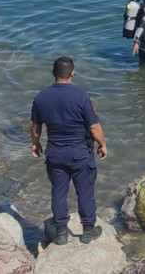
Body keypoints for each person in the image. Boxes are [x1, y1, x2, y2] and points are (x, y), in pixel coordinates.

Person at [31, 57, 107, 245]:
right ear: (72, 73)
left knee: (58, 192)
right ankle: (88, 231)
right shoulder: (81, 96)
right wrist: (103, 144)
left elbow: (35, 126)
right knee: (85, 191)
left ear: (53, 73)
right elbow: (94, 127)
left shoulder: (41, 97)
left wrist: (35, 144)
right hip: (80, 152)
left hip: (55, 152)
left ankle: (61, 234)